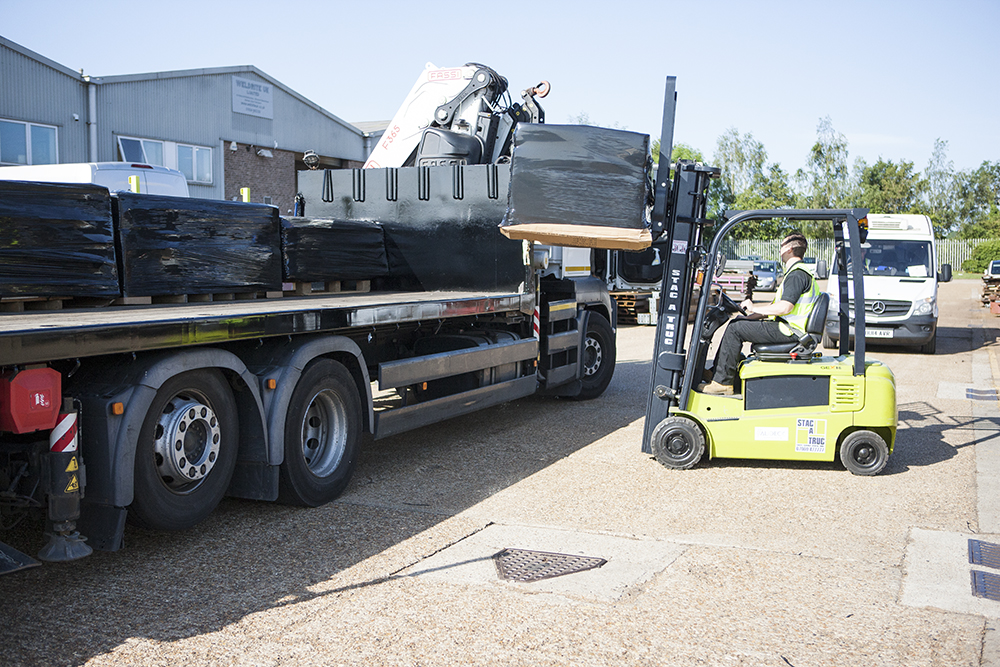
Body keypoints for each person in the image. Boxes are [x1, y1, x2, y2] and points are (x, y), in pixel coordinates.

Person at [700, 232, 820, 395]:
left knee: (736, 329)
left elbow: (785, 308)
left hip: (791, 331)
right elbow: (774, 307)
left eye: (782, 245)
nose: (780, 249)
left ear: (790, 249)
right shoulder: (797, 273)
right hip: (788, 328)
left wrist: (753, 307)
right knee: (738, 323)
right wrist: (748, 316)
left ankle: (722, 383)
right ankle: (717, 373)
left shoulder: (797, 274)